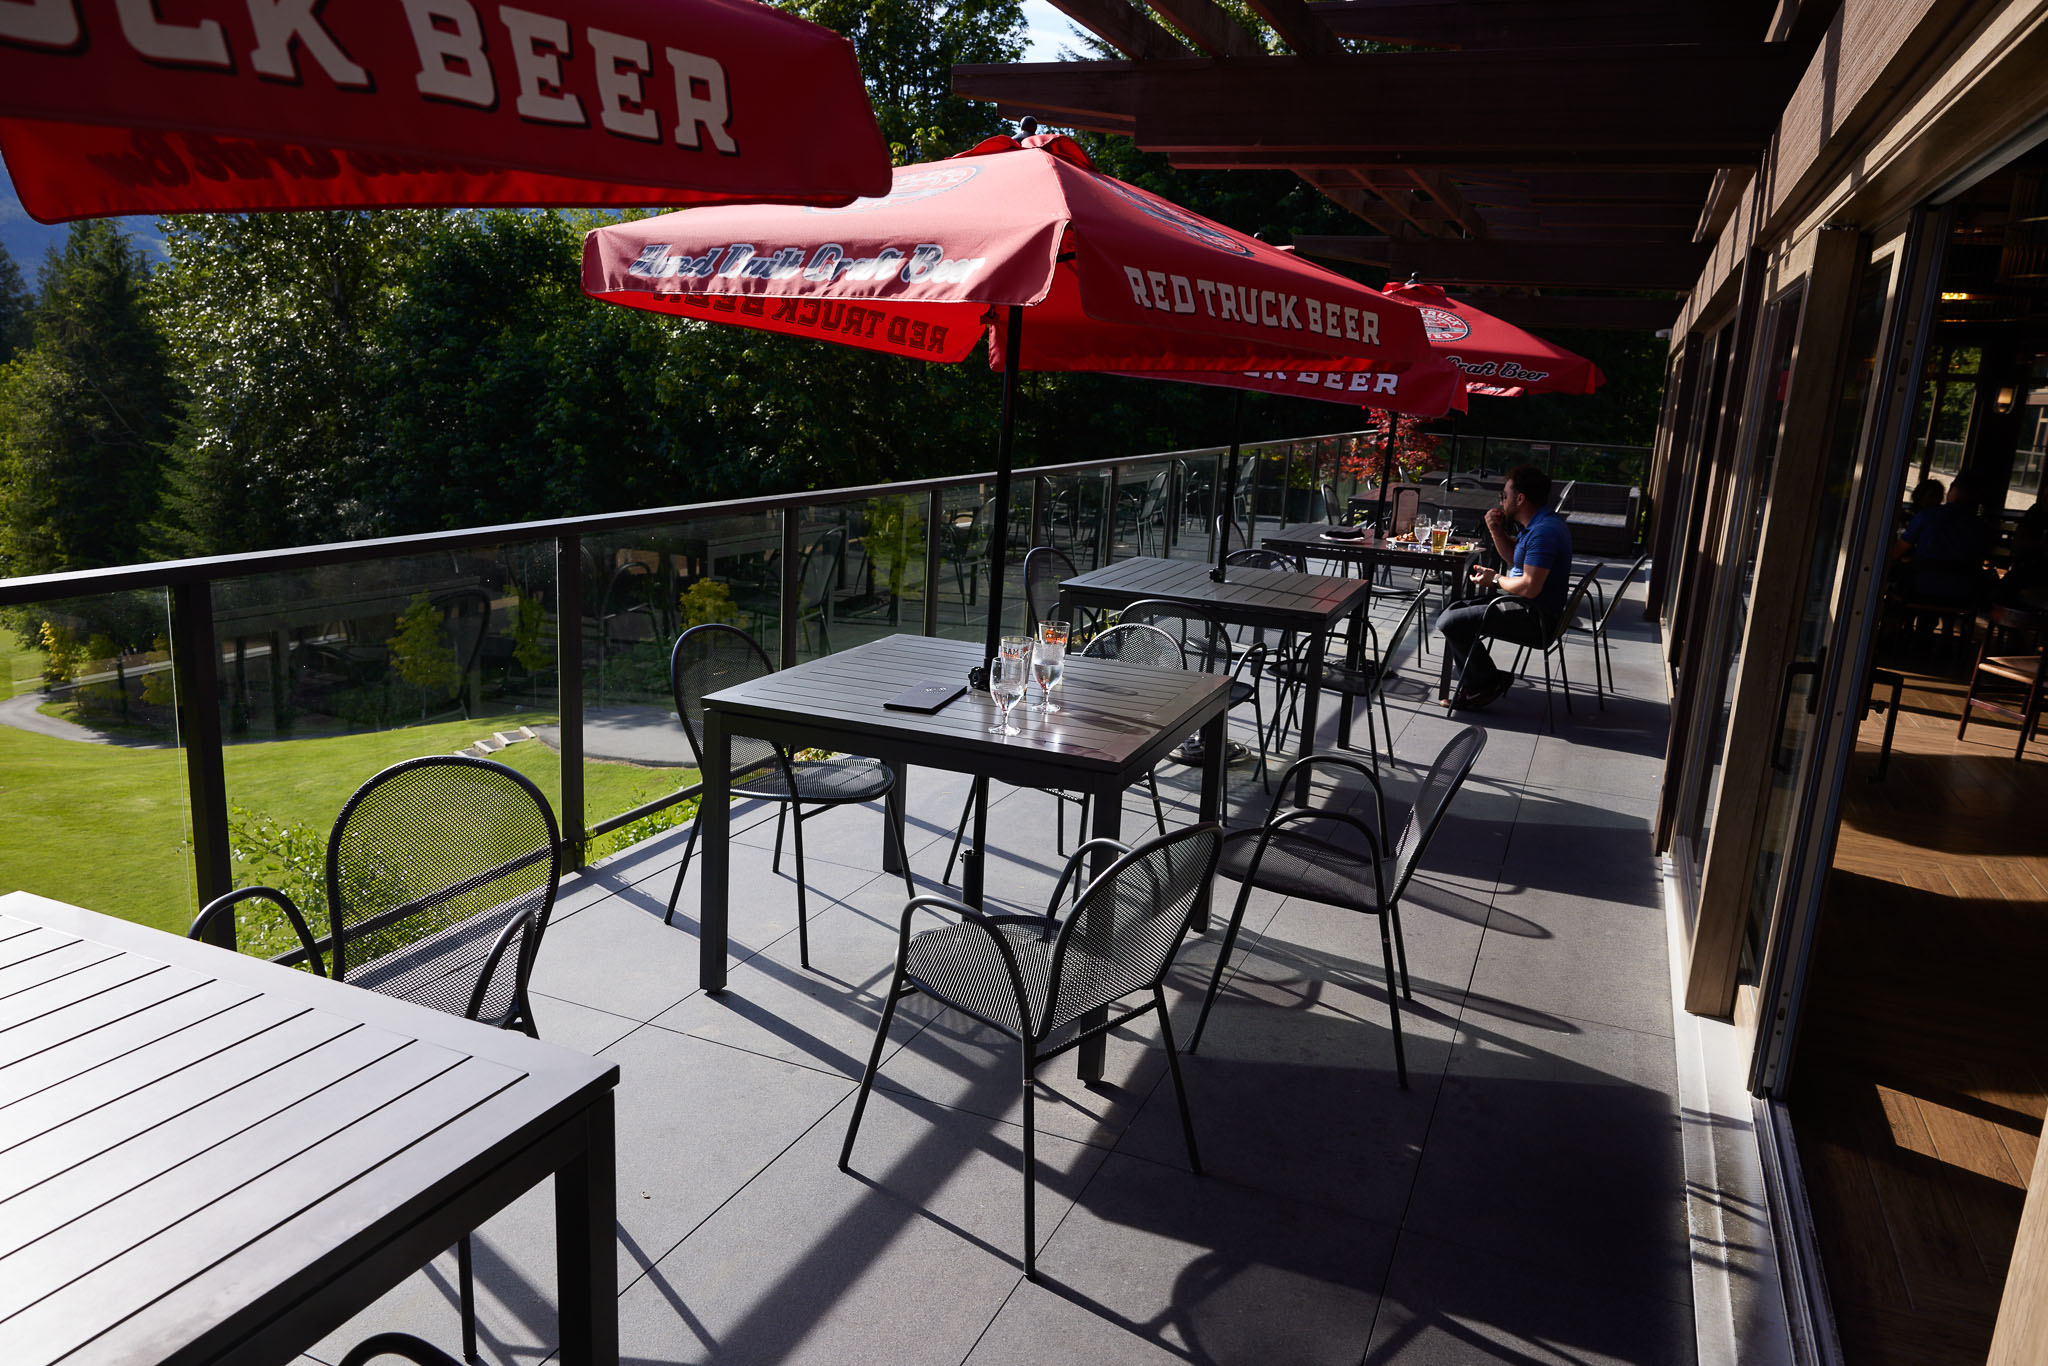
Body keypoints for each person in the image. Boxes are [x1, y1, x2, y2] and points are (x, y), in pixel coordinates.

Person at [1436, 464, 1573, 710]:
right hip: (1528, 606)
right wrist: (1495, 530)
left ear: (1520, 499)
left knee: (1451, 622)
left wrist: (1496, 579)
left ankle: (1485, 684)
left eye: (1504, 495)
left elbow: (1529, 587)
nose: (1501, 501)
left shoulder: (1544, 532)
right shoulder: (1539, 523)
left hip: (1536, 618)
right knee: (1453, 610)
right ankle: (1481, 679)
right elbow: (1515, 560)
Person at [1889, 475, 1990, 604]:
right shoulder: (1980, 526)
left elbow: (1895, 553)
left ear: (1952, 489)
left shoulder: (1926, 516)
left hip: (1919, 589)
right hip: (1963, 594)